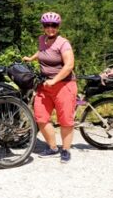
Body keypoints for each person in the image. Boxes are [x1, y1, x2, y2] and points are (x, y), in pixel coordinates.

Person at [23, 12, 76, 164]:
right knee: (40, 117)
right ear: (43, 26)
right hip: (44, 85)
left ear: (58, 26)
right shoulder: (42, 39)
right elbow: (41, 51)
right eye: (47, 25)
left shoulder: (63, 43)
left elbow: (69, 65)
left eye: (54, 25)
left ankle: (65, 150)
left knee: (65, 120)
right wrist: (31, 58)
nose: (50, 28)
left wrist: (54, 80)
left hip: (64, 85)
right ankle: (53, 148)